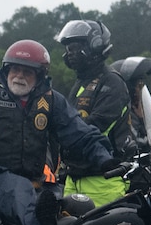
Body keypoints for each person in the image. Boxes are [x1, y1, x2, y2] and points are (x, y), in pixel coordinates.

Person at [0, 40, 110, 225]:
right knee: (21, 193)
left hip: (36, 183)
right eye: (15, 69)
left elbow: (81, 134)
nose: (19, 76)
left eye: (27, 72)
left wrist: (107, 160)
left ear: (40, 76)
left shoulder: (52, 101)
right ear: (6, 70)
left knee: (73, 205)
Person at [56, 20, 136, 157]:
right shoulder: (81, 82)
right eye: (68, 49)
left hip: (107, 172)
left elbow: (96, 127)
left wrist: (59, 131)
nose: (70, 53)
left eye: (75, 47)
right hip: (77, 171)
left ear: (95, 46)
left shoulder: (112, 82)